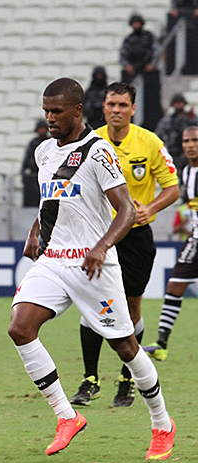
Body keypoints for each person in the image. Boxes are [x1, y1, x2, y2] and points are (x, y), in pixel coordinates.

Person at [7, 78, 176, 460]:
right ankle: (67, 416)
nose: (49, 118)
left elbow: (127, 210)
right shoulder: (44, 151)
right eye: (46, 110)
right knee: (19, 327)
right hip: (53, 260)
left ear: (78, 111)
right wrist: (36, 230)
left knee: (126, 346)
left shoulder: (98, 152)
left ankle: (162, 423)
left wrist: (101, 246)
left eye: (57, 111)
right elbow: (53, 200)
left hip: (92, 263)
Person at [70, 82, 179, 408]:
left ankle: (126, 377)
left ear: (133, 109)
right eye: (111, 104)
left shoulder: (150, 142)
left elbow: (171, 187)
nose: (116, 110)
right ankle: (90, 378)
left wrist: (152, 207)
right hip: (97, 236)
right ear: (103, 108)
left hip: (136, 238)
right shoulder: (90, 141)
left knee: (131, 307)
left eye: (123, 105)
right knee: (92, 304)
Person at [145, 125, 198, 360]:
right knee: (175, 285)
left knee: (175, 284)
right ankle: (161, 344)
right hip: (195, 237)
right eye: (187, 141)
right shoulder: (186, 172)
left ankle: (161, 343)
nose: (190, 145)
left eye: (195, 141)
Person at [119, 13, 163, 130]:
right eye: (134, 23)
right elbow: (122, 55)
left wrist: (152, 65)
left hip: (147, 70)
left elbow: (156, 51)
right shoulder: (129, 39)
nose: (136, 25)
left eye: (138, 23)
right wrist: (127, 66)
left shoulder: (149, 37)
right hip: (133, 70)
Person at [155, 93, 198, 173]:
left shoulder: (192, 118)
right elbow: (158, 136)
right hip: (174, 152)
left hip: (190, 152)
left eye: (180, 102)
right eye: (176, 103)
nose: (178, 105)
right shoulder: (168, 120)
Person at [21, 119, 49, 207]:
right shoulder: (33, 143)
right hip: (35, 174)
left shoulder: (51, 142)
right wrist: (23, 171)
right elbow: (27, 158)